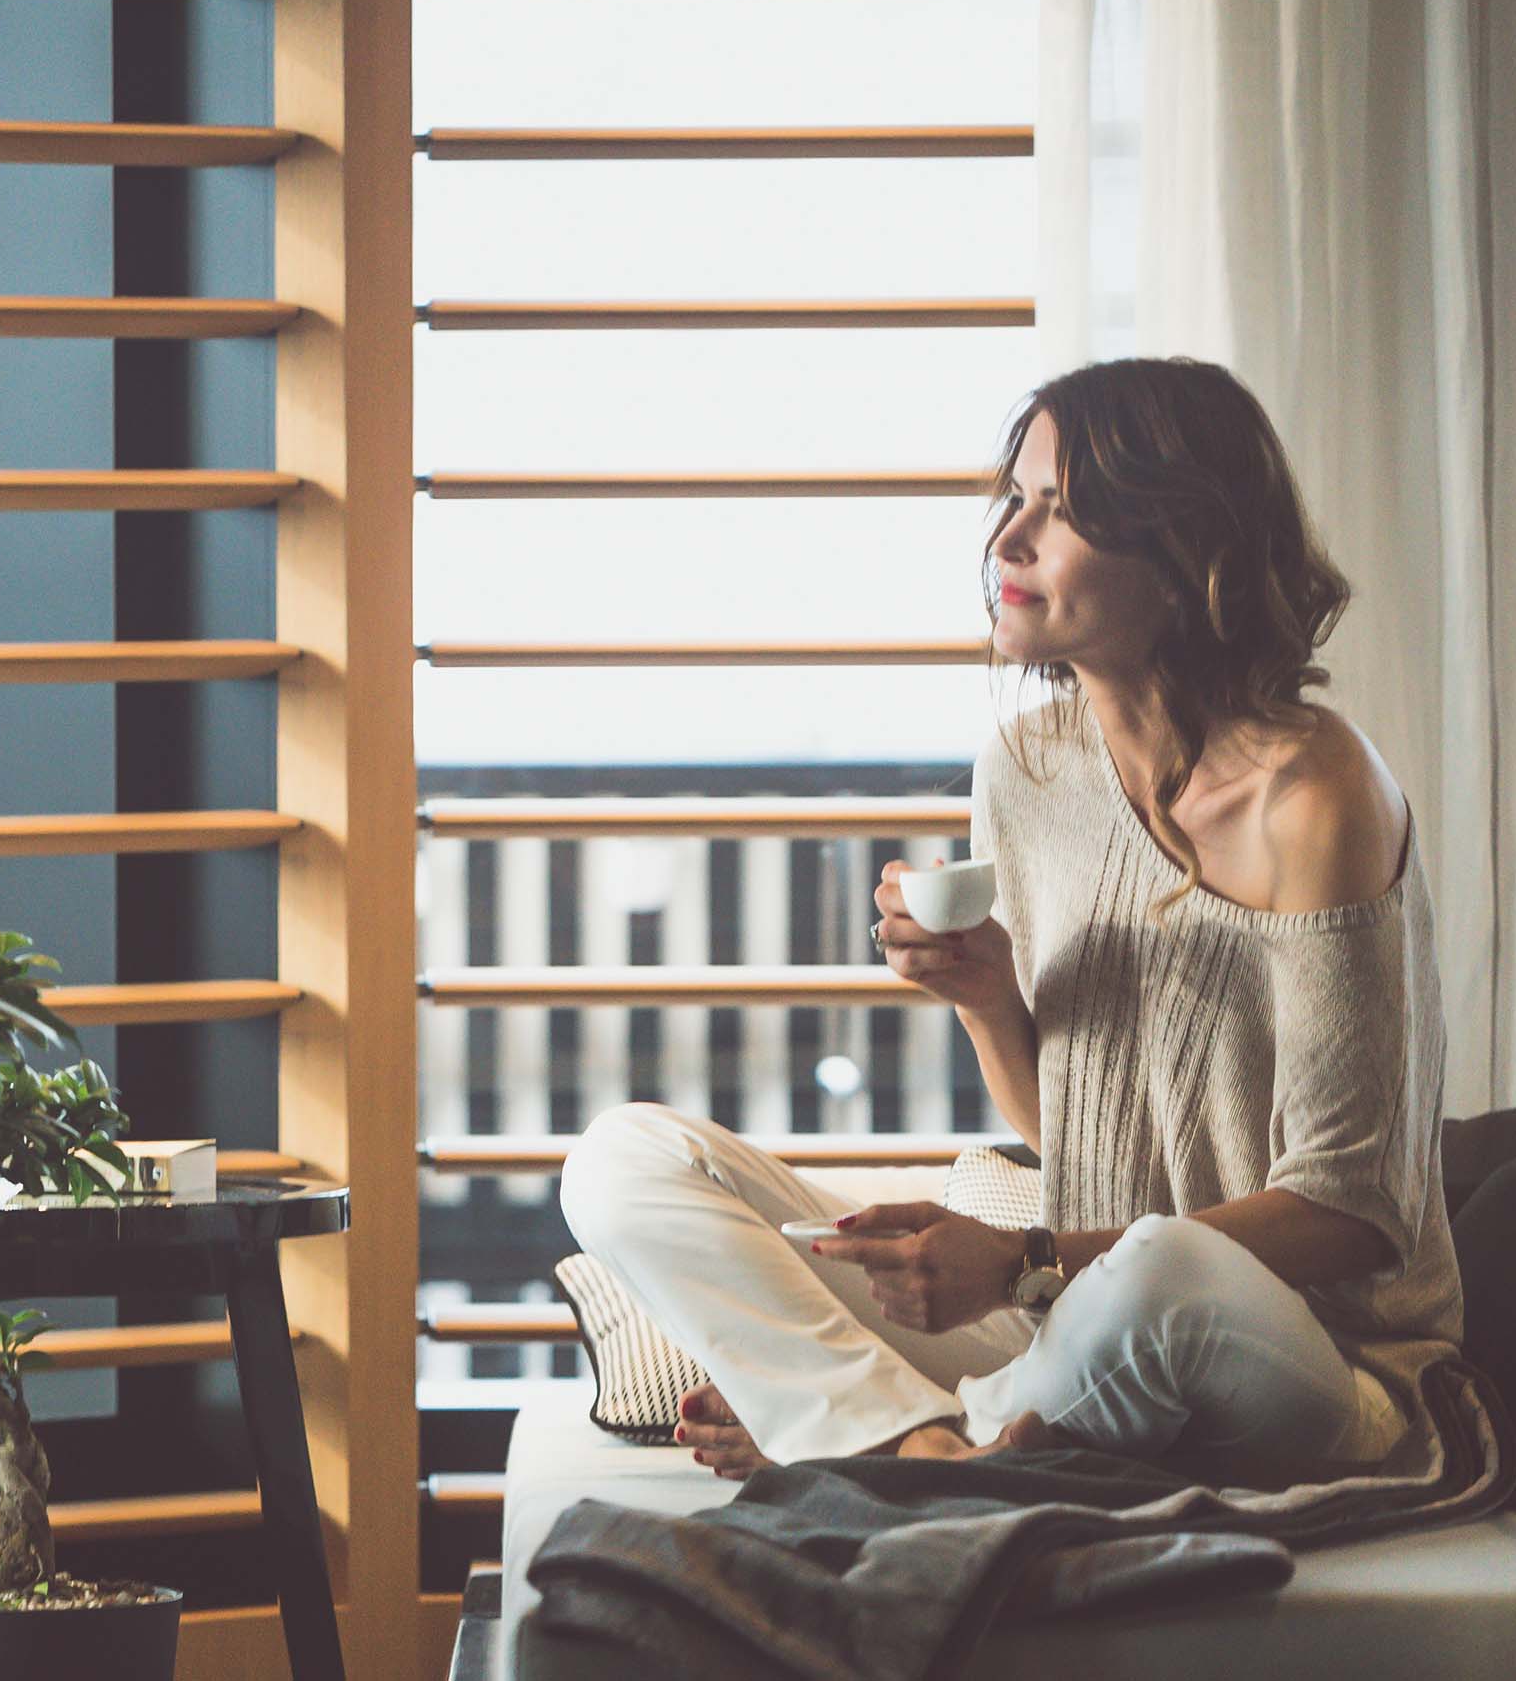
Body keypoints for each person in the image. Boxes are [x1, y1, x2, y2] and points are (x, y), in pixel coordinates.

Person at [559, 357, 1458, 1481]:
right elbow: (1078, 1138)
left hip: (1303, 1355)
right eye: (1015, 502)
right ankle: (914, 1439)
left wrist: (1027, 1259)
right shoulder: (1029, 771)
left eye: (1064, 512)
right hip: (1074, 1305)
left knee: (1158, 1271)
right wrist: (986, 999)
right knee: (621, 1159)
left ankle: (870, 1432)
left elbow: (1353, 1209)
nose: (1008, 543)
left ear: (1185, 555)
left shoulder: (1316, 796)